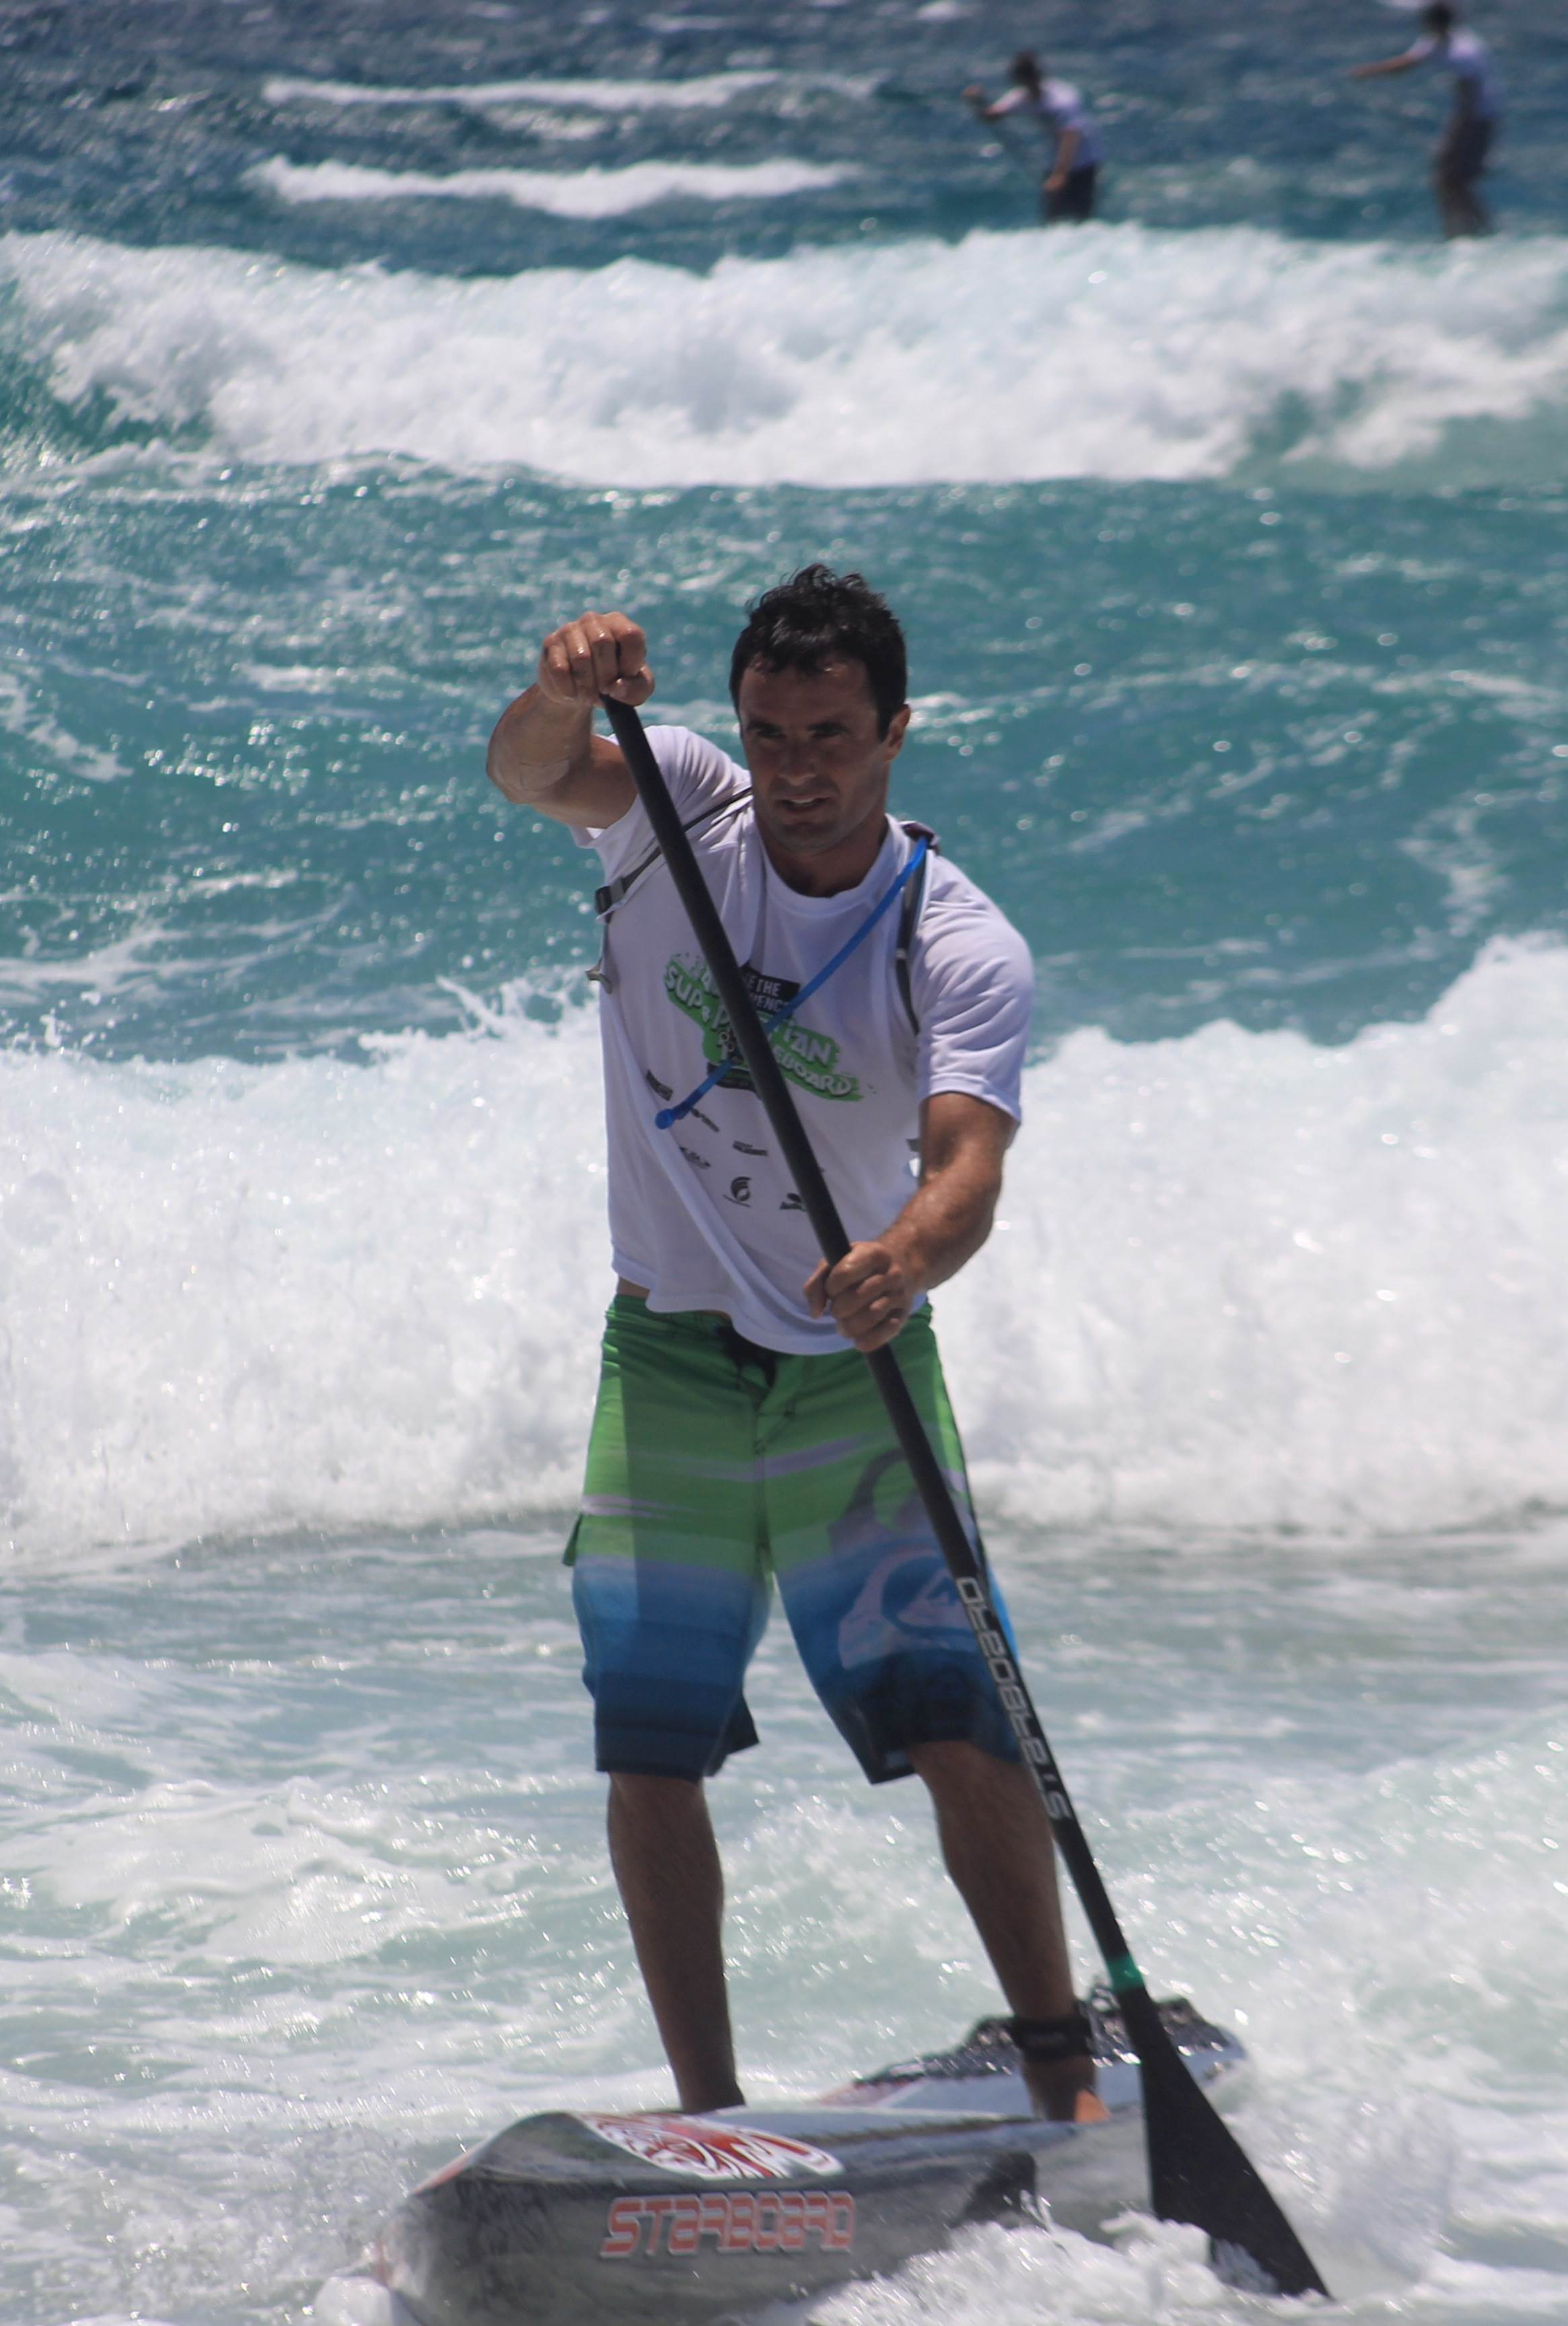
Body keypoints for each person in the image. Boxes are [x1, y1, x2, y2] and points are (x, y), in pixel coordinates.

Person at [487, 568, 1104, 2125]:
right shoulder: (678, 812)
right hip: (666, 1359)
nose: (794, 766)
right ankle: (710, 2124)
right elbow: (531, 773)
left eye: (830, 734)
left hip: (855, 1375)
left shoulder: (951, 938)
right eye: (770, 730)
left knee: (959, 1729)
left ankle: (1064, 2081)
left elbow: (966, 1163)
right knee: (651, 1748)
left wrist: (904, 1255)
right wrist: (561, 691)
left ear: (895, 731)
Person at [1351, 1, 1500, 238]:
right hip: (1471, 116)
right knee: (1445, 179)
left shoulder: (1463, 51)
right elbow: (1408, 62)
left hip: (1478, 117)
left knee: (1453, 179)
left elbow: (1470, 91)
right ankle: (1459, 233)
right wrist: (1371, 72)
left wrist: (1462, 129)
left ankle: (1478, 232)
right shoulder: (1436, 40)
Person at [964, 51, 1103, 225]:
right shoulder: (1022, 97)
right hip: (1055, 163)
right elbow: (993, 116)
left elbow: (1071, 136)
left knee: (1081, 216)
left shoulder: (1062, 99)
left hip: (1084, 162)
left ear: (1035, 77)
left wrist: (1060, 176)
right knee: (1053, 217)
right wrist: (977, 101)